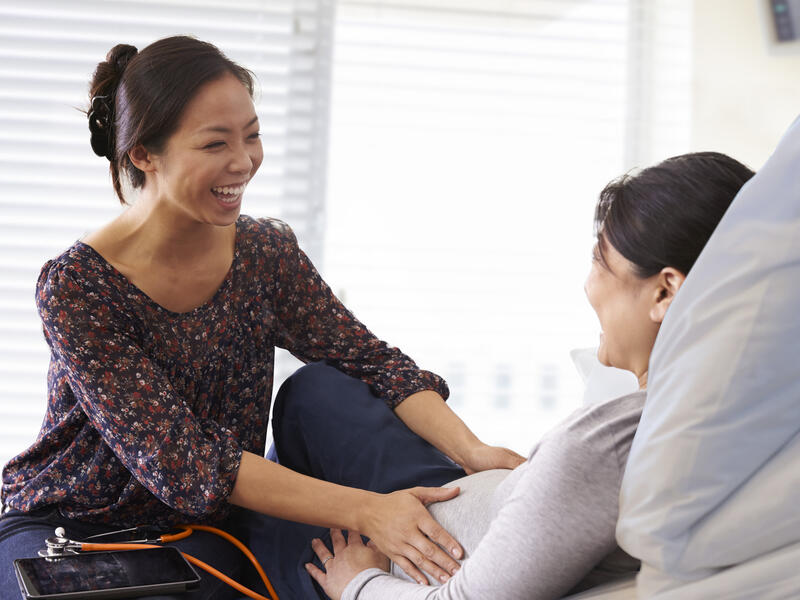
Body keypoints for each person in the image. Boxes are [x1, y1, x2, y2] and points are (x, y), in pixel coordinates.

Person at [0, 36, 524, 599]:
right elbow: (186, 464)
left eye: (252, 136)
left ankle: (465, 544)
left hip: (206, 528)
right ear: (143, 154)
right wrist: (371, 512)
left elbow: (375, 364)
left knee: (325, 389)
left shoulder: (263, 253)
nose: (243, 162)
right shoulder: (79, 287)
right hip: (76, 528)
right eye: (214, 144)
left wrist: (475, 453)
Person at [292, 152, 756, 600]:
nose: (588, 284)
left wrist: (358, 584)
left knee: (264, 487)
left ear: (664, 290)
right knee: (316, 391)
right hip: (456, 496)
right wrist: (476, 454)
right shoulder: (733, 410)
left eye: (601, 261)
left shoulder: (607, 446)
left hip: (395, 563)